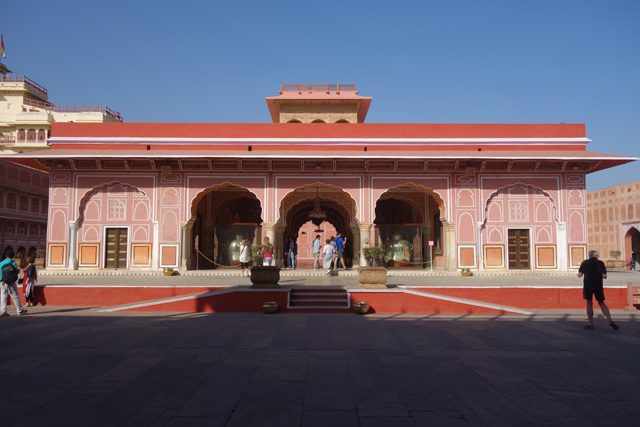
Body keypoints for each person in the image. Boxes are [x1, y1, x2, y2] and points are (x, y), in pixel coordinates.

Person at [578, 250, 619, 330]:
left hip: (588, 286)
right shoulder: (600, 263)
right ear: (596, 256)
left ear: (589, 256)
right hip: (598, 286)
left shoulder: (585, 262)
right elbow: (604, 276)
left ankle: (591, 324)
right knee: (601, 303)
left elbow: (580, 275)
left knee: (589, 303)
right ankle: (610, 320)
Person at [0, 249, 27, 317]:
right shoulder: (13, 262)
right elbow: (17, 271)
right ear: (13, 256)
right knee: (15, 296)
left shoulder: (1, 263)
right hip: (11, 282)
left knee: (3, 296)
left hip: (3, 281)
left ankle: (3, 311)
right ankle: (19, 310)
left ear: (6, 255)